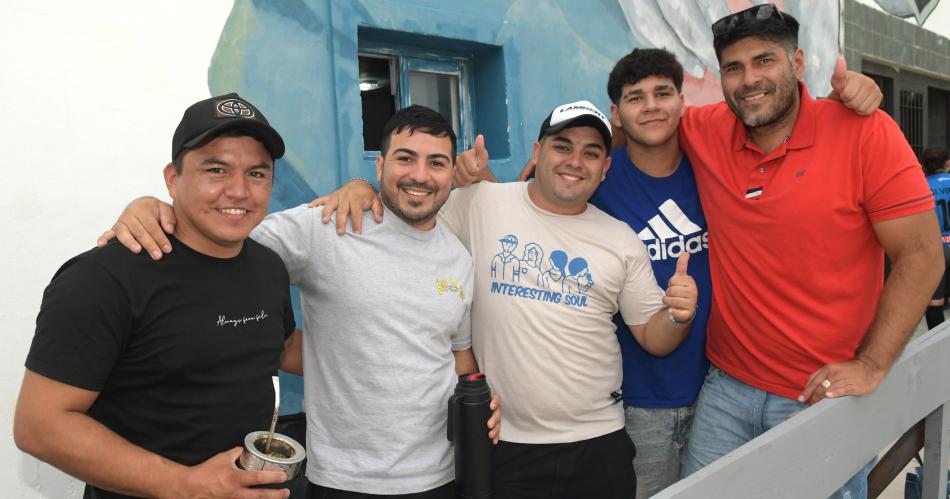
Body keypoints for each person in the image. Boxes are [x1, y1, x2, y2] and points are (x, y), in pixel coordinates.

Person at [97, 105, 501, 498]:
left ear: (451, 173)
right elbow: (215, 243)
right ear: (380, 166)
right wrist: (155, 210)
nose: (420, 175)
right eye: (405, 158)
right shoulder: (327, 226)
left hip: (442, 474)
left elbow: (457, 355)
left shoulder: (458, 258)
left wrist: (483, 403)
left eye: (436, 163)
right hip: (345, 479)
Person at [309, 100, 699, 498]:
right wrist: (361, 185)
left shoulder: (621, 239)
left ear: (605, 167)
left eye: (591, 153)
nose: (575, 161)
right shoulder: (478, 202)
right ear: (537, 151)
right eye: (562, 146)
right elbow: (407, 213)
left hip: (598, 443)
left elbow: (653, 337)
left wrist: (678, 315)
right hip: (501, 443)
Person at [675, 5, 943, 498]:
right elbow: (638, 123)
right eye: (734, 68)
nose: (749, 80)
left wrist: (872, 365)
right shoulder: (706, 130)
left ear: (797, 63)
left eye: (764, 60)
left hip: (819, 398)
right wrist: (545, 174)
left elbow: (923, 254)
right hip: (725, 390)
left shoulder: (864, 131)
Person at [14, 93, 298, 499]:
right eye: (216, 170)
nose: (239, 191)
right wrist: (185, 485)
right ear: (172, 179)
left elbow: (279, 347)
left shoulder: (268, 266)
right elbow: (39, 426)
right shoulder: (104, 278)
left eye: (256, 173)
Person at [922, 147, 950, 329]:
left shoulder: (921, 186)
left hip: (936, 247)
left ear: (923, 166)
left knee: (933, 302)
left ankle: (940, 343)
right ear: (947, 163)